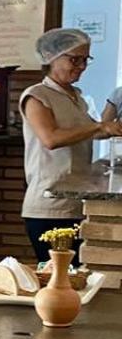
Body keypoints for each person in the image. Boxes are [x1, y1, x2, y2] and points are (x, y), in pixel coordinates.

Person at [20, 28, 122, 261]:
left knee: (76, 275)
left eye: (85, 59)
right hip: (49, 206)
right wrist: (100, 127)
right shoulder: (37, 95)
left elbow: (90, 133)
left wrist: (111, 128)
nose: (82, 66)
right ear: (51, 57)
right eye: (75, 60)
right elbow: (51, 139)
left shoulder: (77, 97)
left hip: (75, 202)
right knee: (58, 275)